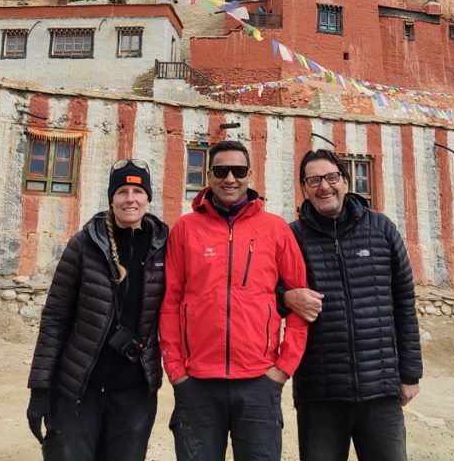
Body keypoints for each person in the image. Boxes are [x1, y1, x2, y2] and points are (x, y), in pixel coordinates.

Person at [159, 139, 309, 461]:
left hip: (258, 383)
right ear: (209, 176)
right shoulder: (185, 229)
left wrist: (282, 369)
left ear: (249, 174)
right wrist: (176, 371)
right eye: (221, 170)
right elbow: (170, 303)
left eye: (238, 171)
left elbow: (301, 303)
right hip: (196, 383)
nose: (230, 178)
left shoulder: (276, 229)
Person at [283, 149, 422, 461]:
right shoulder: (291, 237)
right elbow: (263, 293)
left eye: (332, 177)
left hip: (380, 389)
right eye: (314, 180)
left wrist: (410, 374)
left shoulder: (381, 229)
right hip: (320, 393)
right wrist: (285, 297)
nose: (324, 187)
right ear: (305, 188)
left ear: (345, 182)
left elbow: (404, 303)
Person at [26, 159, 168, 461]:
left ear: (148, 198)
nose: (130, 198)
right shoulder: (84, 245)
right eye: (122, 191)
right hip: (80, 390)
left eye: (137, 191)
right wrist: (40, 389)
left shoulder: (164, 247)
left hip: (134, 394)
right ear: (111, 198)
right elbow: (55, 318)